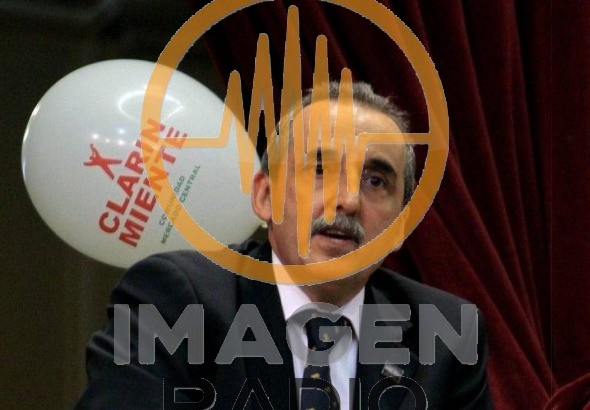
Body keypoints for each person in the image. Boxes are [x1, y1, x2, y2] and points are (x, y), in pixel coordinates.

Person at [76, 82, 492, 409]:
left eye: (375, 181)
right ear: (265, 197)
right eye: (320, 170)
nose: (347, 200)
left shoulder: (445, 333)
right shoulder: (177, 301)